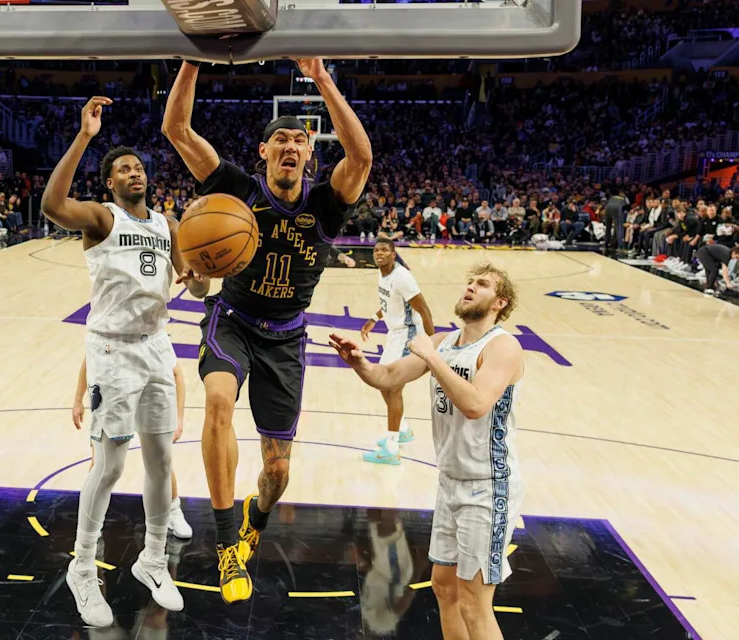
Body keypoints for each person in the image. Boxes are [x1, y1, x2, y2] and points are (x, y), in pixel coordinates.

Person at [161, 57, 372, 603]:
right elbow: (176, 130)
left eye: (298, 140)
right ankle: (227, 543)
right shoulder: (234, 188)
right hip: (232, 321)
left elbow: (362, 156)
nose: (288, 146)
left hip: (286, 336)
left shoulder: (326, 205)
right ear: (263, 152)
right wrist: (191, 59)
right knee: (217, 404)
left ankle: (256, 516)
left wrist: (322, 77)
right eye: (278, 138)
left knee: (277, 471)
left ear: (308, 152)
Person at [41, 96, 209, 626]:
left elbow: (197, 286)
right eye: (123, 170)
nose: (134, 173)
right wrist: (86, 136)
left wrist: (203, 275)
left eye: (138, 167)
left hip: (157, 345)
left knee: (161, 462)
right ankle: (83, 568)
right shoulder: (100, 218)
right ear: (109, 183)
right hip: (112, 349)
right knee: (110, 466)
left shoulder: (168, 224)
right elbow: (51, 204)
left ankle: (153, 560)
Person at [330, 262, 523, 640]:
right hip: (451, 483)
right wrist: (360, 363)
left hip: (490, 487)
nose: (470, 286)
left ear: (500, 302)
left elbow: (477, 404)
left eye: (481, 284)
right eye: (469, 280)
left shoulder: (504, 346)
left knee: (474, 603)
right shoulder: (442, 343)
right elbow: (387, 377)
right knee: (444, 589)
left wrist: (434, 361)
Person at [71, 356, 193, 539]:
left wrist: (179, 417)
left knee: (160, 460)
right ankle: (92, 525)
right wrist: (78, 400)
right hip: (113, 397)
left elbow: (177, 374)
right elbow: (88, 359)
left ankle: (173, 511)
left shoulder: (150, 336)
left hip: (148, 398)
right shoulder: (107, 335)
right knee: (101, 463)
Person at [359, 238, 434, 465]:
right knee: (383, 383)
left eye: (384, 250)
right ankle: (402, 430)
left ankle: (392, 448)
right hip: (394, 335)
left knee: (391, 387)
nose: (379, 253)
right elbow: (388, 302)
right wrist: (374, 319)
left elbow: (424, 309)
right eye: (376, 250)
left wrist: (432, 345)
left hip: (408, 335)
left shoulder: (403, 277)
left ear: (393, 254)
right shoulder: (382, 274)